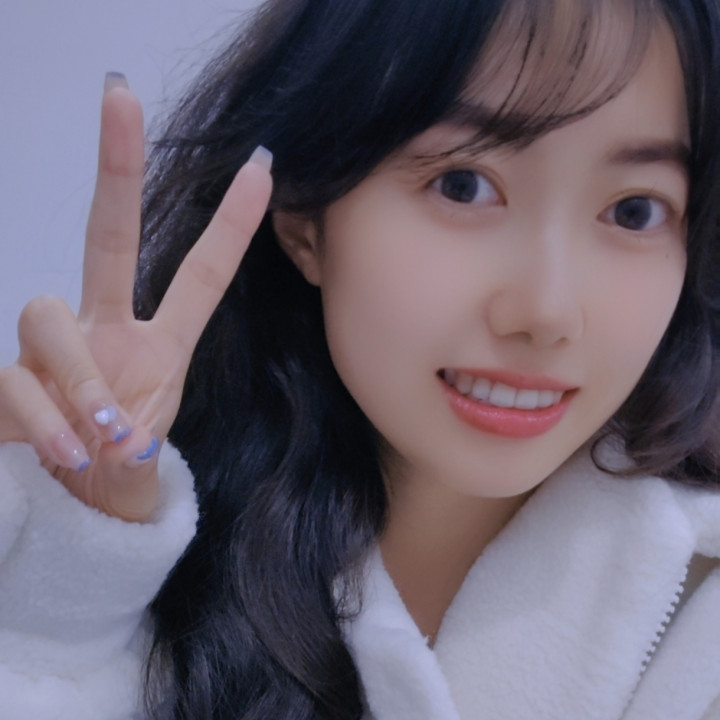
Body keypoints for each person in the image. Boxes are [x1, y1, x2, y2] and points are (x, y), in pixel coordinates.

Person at [1, 0, 720, 717]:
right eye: (464, 185)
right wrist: (58, 605)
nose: (547, 312)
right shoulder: (134, 550)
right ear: (304, 219)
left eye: (635, 210)